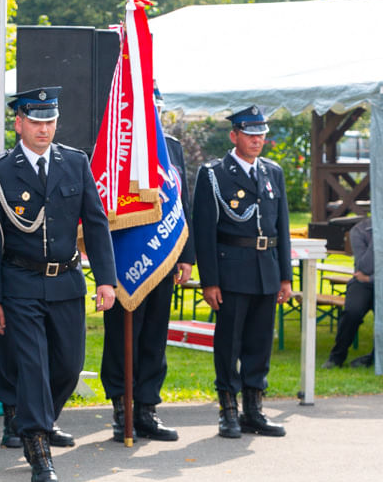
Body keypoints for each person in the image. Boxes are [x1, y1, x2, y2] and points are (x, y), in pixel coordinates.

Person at [0, 87, 117, 482]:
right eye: (36, 121)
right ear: (19, 123)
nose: (44, 128)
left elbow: (95, 222)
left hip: (67, 281)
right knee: (34, 367)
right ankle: (38, 448)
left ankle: (38, 420)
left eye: (50, 120)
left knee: (68, 366)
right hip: (20, 284)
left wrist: (105, 278)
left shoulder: (75, 163)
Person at [192, 105, 292, 439]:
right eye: (250, 134)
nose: (257, 140)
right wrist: (210, 281)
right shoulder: (214, 173)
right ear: (234, 135)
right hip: (232, 269)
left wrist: (285, 276)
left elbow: (283, 227)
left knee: (260, 343)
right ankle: (228, 410)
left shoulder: (272, 172)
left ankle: (254, 410)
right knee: (229, 343)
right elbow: (204, 231)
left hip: (266, 268)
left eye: (261, 134)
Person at [101, 134, 195, 442]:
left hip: (162, 254)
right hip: (124, 257)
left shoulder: (171, 145)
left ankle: (146, 409)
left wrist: (185, 255)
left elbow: (182, 202)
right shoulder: (116, 140)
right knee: (121, 337)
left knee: (155, 335)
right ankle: (121, 409)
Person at [321, 217, 383, 369]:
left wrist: (371, 278)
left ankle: (374, 357)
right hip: (361, 284)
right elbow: (364, 266)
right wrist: (380, 239)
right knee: (352, 312)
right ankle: (337, 356)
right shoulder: (358, 230)